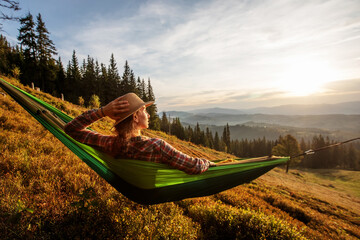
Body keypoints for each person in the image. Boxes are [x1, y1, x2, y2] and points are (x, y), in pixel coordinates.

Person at [64, 93, 216, 174]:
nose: (148, 115)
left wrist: (102, 112)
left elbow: (71, 129)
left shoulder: (109, 143)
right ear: (135, 117)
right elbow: (194, 167)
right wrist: (207, 162)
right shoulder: (157, 146)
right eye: (144, 110)